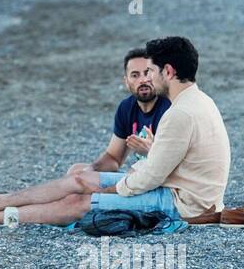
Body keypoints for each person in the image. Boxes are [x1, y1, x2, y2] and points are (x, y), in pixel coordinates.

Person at [0, 36, 244, 228]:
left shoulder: (181, 114)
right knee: (80, 179)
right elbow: (152, 169)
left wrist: (116, 185)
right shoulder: (197, 102)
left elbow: (148, 178)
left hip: (184, 206)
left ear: (169, 70)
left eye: (153, 71)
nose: (149, 78)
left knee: (80, 201)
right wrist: (105, 176)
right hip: (176, 190)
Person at [64, 49, 172, 178]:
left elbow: (175, 164)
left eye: (147, 73)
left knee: (85, 186)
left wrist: (151, 151)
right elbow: (114, 158)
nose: (143, 80)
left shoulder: (169, 109)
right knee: (76, 171)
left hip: (163, 183)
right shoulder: (126, 108)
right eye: (135, 75)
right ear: (126, 82)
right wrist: (91, 169)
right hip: (139, 177)